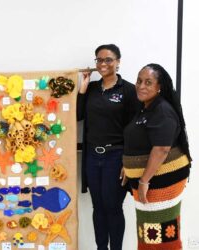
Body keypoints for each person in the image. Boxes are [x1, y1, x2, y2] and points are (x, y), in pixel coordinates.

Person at [123, 64, 191, 249]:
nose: (141, 86)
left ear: (159, 87)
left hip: (161, 181)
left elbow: (161, 148)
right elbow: (139, 142)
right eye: (139, 81)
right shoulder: (145, 108)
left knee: (160, 235)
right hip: (151, 180)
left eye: (148, 82)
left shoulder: (162, 110)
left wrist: (144, 181)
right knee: (149, 232)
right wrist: (128, 165)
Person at [77, 44, 139, 250]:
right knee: (98, 207)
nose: (103, 64)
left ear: (118, 62)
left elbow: (135, 130)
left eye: (108, 59)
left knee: (113, 207)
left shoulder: (129, 91)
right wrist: (83, 87)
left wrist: (128, 161)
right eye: (99, 60)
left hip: (116, 157)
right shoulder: (93, 89)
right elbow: (77, 115)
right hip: (93, 157)